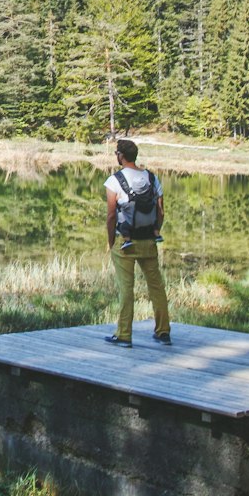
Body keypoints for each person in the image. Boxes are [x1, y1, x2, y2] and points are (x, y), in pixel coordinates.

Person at [104, 138, 171, 347]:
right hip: (148, 240)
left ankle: (124, 334)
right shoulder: (151, 178)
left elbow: (111, 215)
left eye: (117, 153)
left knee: (126, 288)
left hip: (125, 242)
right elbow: (161, 211)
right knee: (156, 287)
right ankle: (163, 332)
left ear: (121, 156)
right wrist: (156, 230)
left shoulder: (114, 181)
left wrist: (110, 240)